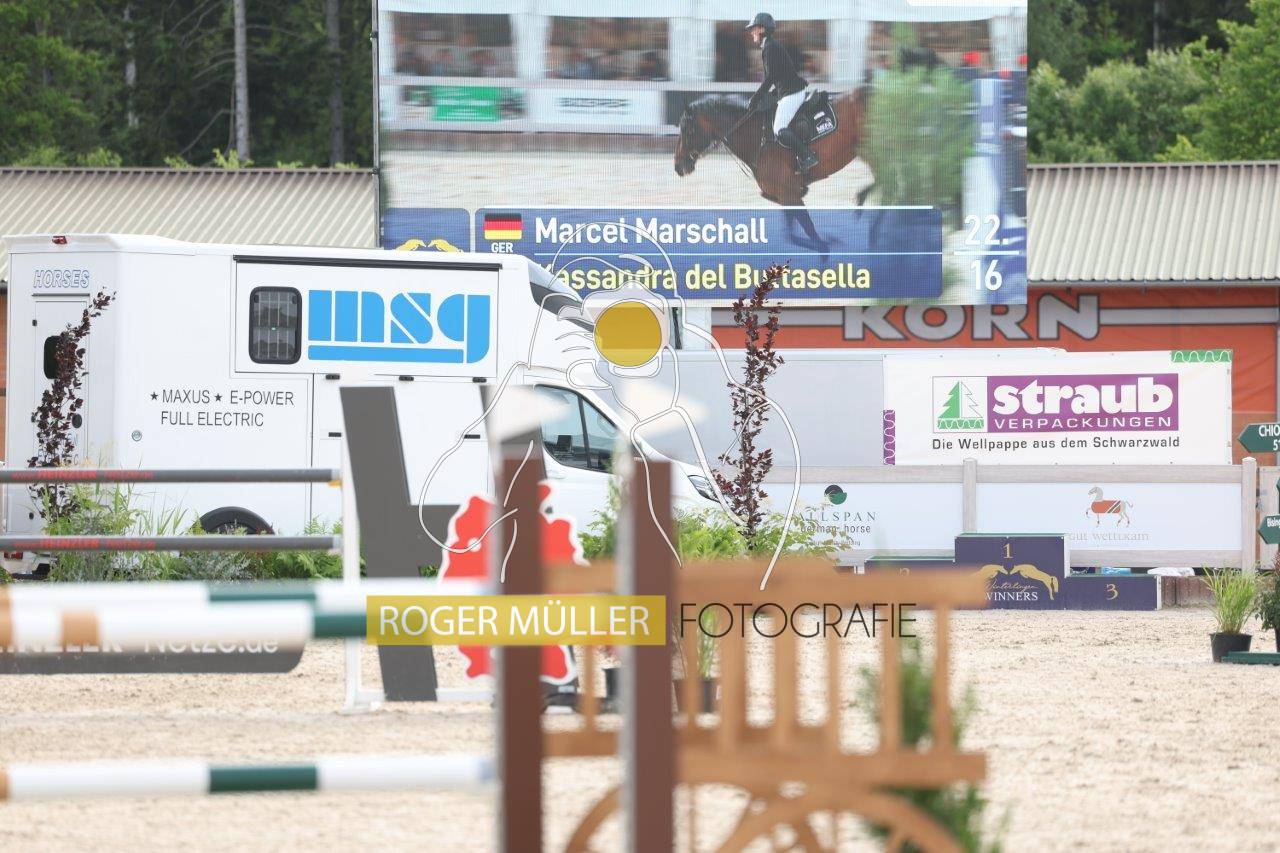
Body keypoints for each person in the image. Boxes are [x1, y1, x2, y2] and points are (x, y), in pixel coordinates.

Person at [745, 12, 817, 174]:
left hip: (792, 94)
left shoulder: (769, 48)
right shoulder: (769, 46)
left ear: (762, 29)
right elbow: (775, 77)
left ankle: (807, 156)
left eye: (753, 29)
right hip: (788, 91)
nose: (751, 32)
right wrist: (767, 96)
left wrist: (755, 98)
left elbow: (770, 77)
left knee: (779, 129)